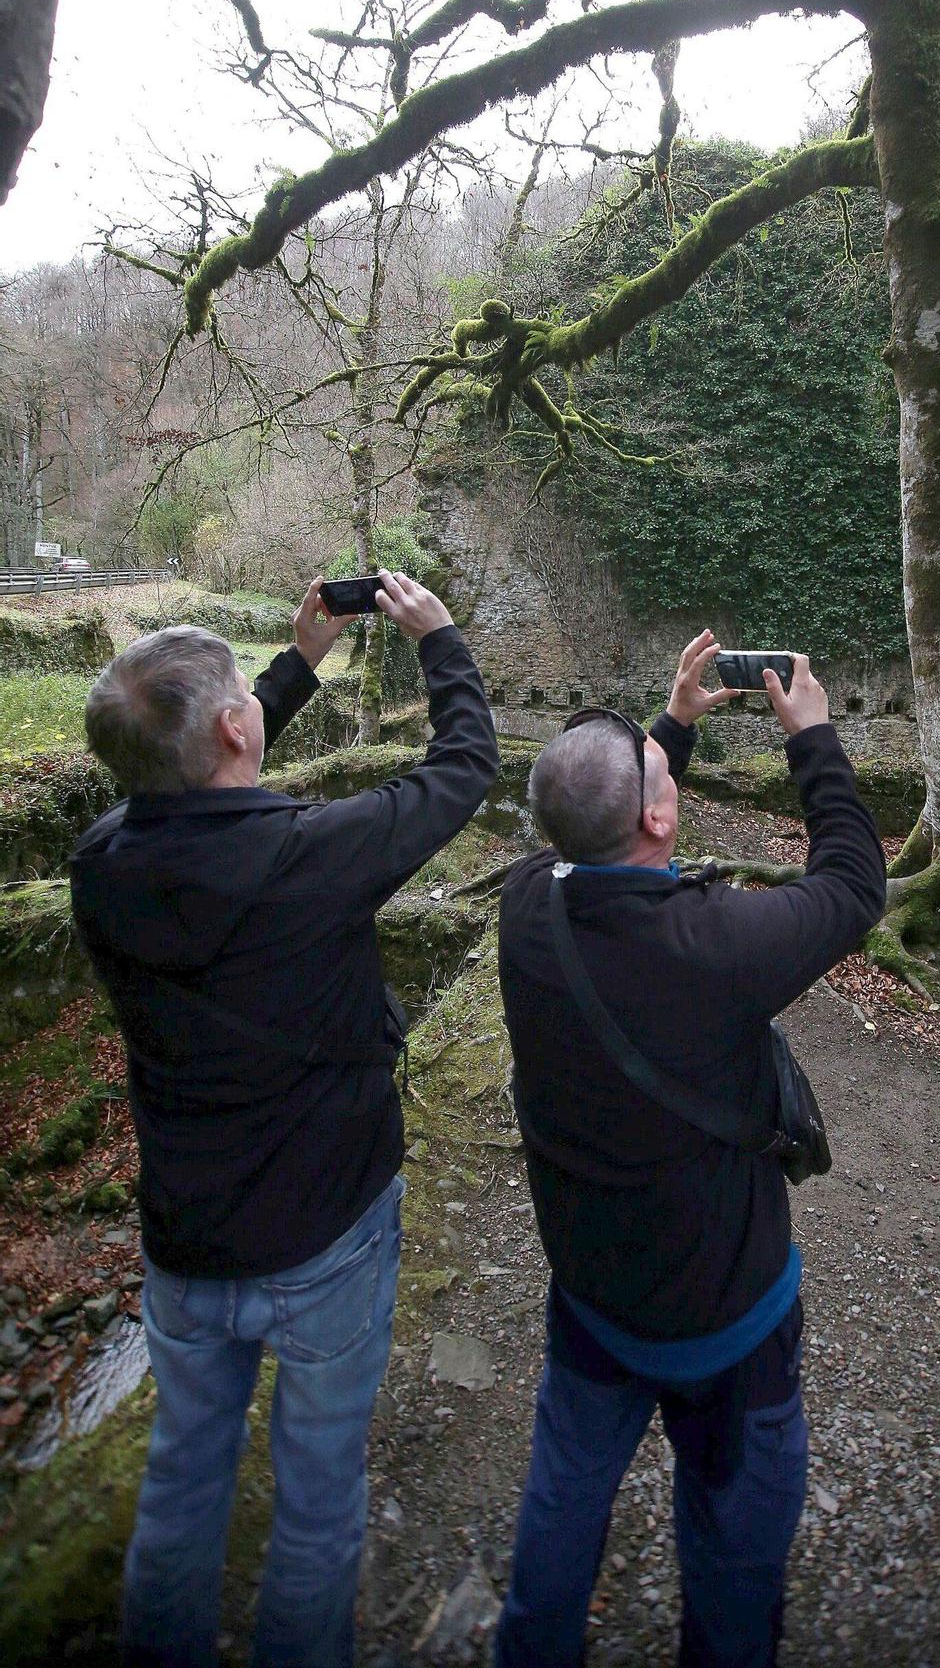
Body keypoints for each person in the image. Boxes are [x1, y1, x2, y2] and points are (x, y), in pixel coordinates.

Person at [69, 570, 499, 1668]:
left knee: (181, 1475)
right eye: (245, 703)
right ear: (234, 726)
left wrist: (294, 668)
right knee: (316, 1501)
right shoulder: (311, 859)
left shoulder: (101, 865)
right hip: (326, 1230)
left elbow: (176, 781)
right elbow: (463, 769)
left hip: (184, 1234)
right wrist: (441, 642)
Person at [495, 631, 887, 1668]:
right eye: (663, 773)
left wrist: (669, 727)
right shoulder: (715, 947)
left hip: (589, 1290)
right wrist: (814, 740)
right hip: (726, 1321)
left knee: (562, 1494)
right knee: (734, 1539)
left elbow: (592, 819)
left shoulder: (526, 907)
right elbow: (851, 885)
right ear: (661, 817)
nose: (664, 764)